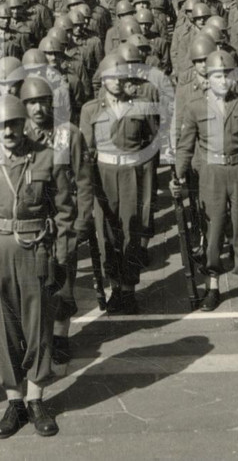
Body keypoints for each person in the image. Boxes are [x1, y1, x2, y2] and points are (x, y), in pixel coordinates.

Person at [0, 95, 76, 439]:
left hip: (36, 248)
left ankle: (37, 398)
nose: (8, 131)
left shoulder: (47, 157)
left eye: (14, 123)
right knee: (3, 325)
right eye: (1, 125)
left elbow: (66, 212)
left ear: (24, 123)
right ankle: (14, 400)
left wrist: (60, 256)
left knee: (38, 322)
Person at [173, 50, 238, 311]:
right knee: (212, 229)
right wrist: (179, 175)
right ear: (207, 78)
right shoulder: (195, 107)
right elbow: (185, 146)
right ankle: (212, 285)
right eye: (217, 75)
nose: (223, 80)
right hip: (211, 172)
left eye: (227, 75)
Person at [20, 75, 94, 364]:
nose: (38, 108)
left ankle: (61, 336)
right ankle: (37, 336)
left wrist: (83, 221)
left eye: (43, 101)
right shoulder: (18, 133)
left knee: (63, 278)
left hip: (63, 221)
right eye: (31, 103)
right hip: (32, 221)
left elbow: (84, 180)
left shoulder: (69, 134)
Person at [80, 54, 159, 315]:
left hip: (131, 174)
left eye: (120, 77)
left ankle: (129, 290)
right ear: (102, 79)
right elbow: (86, 151)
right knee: (107, 233)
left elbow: (151, 141)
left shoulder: (141, 105)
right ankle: (114, 286)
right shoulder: (90, 109)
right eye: (110, 77)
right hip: (103, 174)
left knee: (132, 229)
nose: (115, 82)